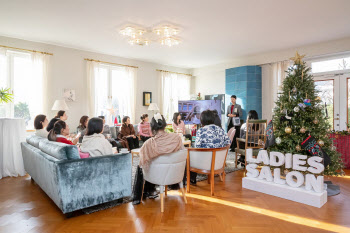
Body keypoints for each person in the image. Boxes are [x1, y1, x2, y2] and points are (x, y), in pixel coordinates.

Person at [132, 113, 184, 205]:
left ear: (152, 127)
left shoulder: (148, 144)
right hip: (173, 173)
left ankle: (148, 190)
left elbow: (142, 163)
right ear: (164, 125)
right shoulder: (176, 138)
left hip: (156, 176)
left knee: (144, 166)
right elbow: (181, 151)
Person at [190, 110, 231, 185]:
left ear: (202, 120)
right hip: (219, 163)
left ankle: (192, 179)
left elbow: (197, 147)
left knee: (189, 156)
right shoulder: (220, 129)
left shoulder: (201, 131)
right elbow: (228, 142)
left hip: (206, 164)